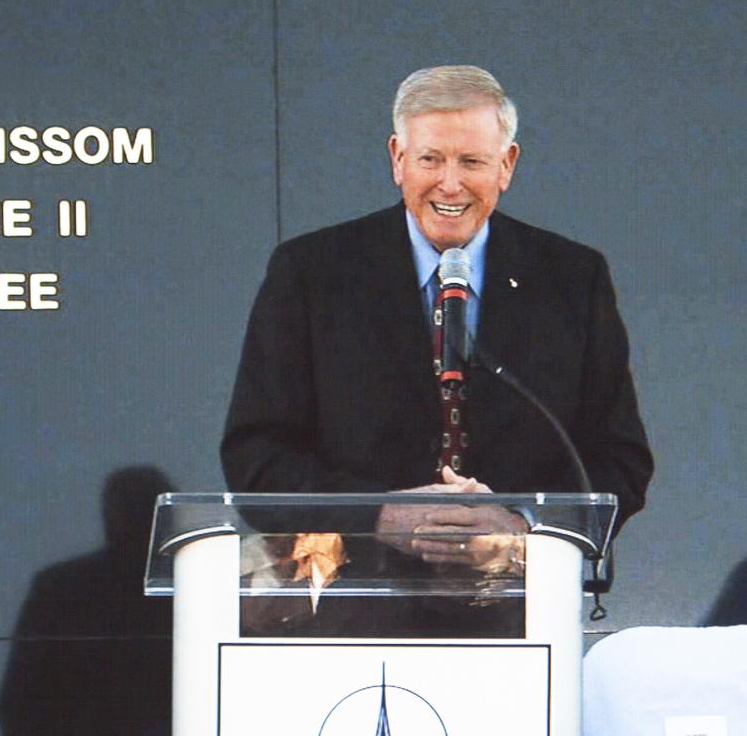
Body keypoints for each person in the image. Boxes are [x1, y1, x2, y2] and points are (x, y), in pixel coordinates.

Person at [219, 66, 652, 628]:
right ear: (398, 158)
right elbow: (257, 460)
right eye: (430, 160)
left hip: (517, 617)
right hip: (348, 613)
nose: (450, 184)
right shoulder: (312, 272)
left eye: (471, 162)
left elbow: (619, 462)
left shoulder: (572, 279)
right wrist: (381, 514)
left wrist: (518, 526)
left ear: (507, 166)